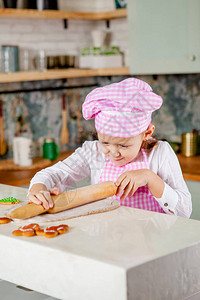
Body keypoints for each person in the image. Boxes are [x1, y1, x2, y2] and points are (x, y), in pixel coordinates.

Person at [28, 78, 192, 218]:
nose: (113, 152)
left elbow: (184, 211)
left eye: (123, 145)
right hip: (105, 240)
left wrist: (150, 178)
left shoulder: (159, 153)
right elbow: (55, 174)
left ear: (147, 132)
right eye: (105, 142)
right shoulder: (93, 152)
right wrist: (39, 189)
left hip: (151, 241)